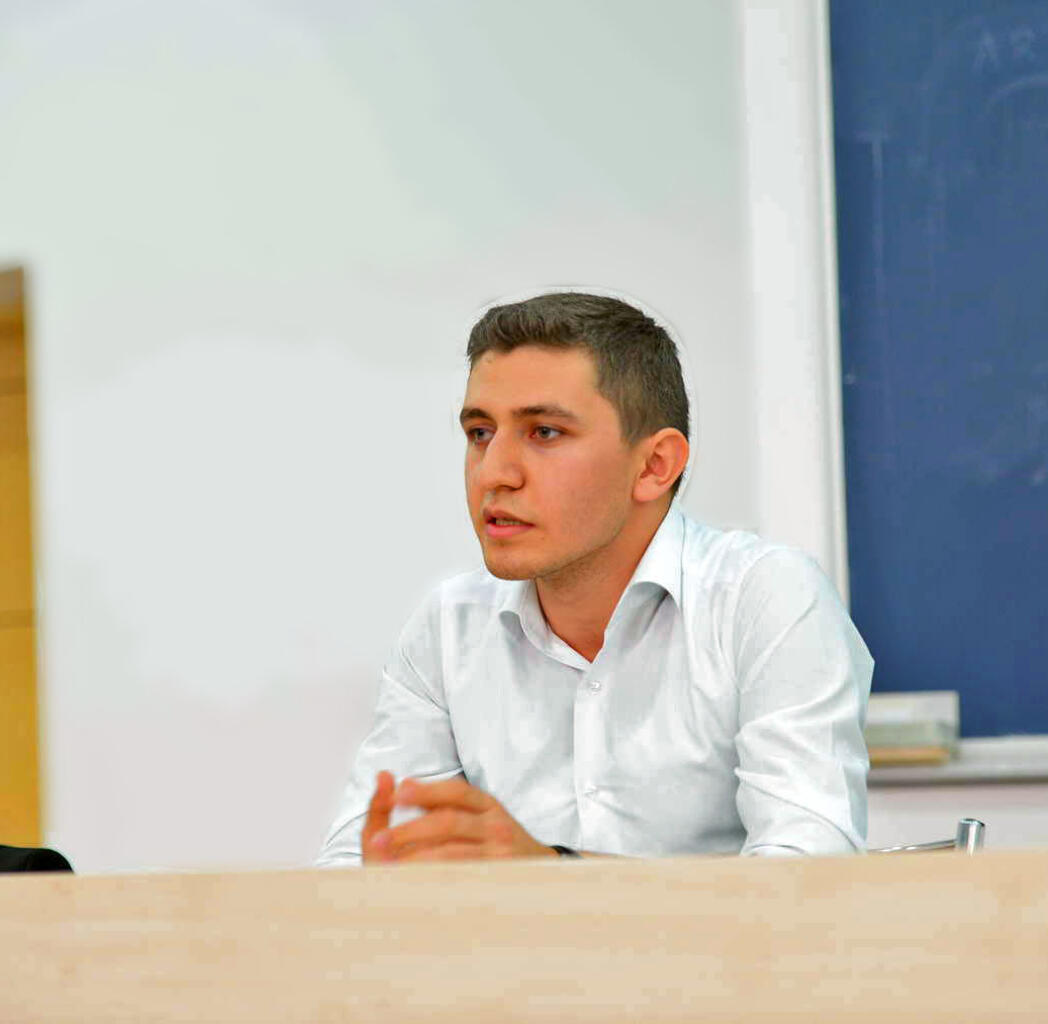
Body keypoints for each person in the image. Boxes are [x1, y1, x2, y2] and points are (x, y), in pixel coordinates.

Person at [315, 292, 872, 866]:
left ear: (654, 466)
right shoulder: (449, 624)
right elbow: (354, 864)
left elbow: (807, 875)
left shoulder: (765, 596)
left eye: (544, 432)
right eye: (480, 433)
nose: (493, 474)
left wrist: (553, 875)